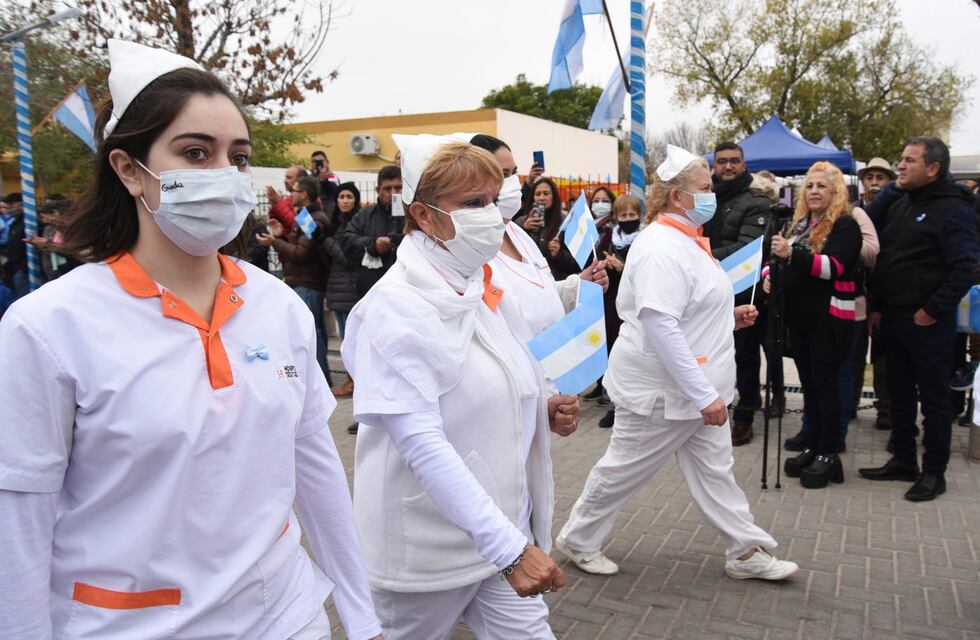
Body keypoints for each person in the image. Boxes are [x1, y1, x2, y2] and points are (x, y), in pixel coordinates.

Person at [0, 39, 380, 640]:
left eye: (237, 156)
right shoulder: (49, 327)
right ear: (128, 169)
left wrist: (362, 614)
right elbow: (18, 520)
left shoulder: (276, 306)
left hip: (286, 617)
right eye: (195, 153)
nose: (223, 175)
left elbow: (315, 467)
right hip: (131, 626)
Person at [342, 134, 576, 639]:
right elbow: (422, 442)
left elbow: (511, 374)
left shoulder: (478, 284)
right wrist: (510, 550)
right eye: (472, 203)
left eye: (492, 201)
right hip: (426, 552)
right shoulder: (396, 308)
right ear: (424, 216)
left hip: (498, 534)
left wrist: (543, 404)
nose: (491, 215)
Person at [556, 145, 797, 582]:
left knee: (716, 474)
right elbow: (660, 325)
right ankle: (578, 538)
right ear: (677, 198)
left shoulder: (686, 241)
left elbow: (688, 311)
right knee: (623, 469)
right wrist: (703, 393)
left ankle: (745, 551)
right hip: (663, 393)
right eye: (704, 188)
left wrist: (728, 319)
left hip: (697, 391)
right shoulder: (661, 249)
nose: (713, 195)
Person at [859, 137, 979, 502]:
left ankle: (934, 471)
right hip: (893, 318)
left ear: (933, 168)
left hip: (927, 322)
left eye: (909, 161)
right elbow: (887, 258)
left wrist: (932, 310)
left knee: (934, 399)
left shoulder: (955, 209)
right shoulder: (901, 203)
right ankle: (904, 459)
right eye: (901, 159)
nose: (901, 166)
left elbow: (966, 267)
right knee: (898, 394)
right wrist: (877, 306)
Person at [768, 163, 862, 487]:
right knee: (809, 385)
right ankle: (814, 444)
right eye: (809, 186)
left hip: (831, 318)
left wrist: (791, 253)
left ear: (836, 192)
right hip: (802, 318)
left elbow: (832, 267)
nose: (814, 191)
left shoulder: (845, 226)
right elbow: (779, 259)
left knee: (826, 386)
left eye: (822, 186)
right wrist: (769, 276)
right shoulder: (801, 225)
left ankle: (829, 453)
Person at [708, 142, 781, 447]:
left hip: (743, 291)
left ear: (743, 163)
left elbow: (748, 248)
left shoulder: (757, 201)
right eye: (722, 161)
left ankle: (745, 417)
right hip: (708, 290)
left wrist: (698, 254)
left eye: (733, 161)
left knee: (745, 357)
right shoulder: (704, 197)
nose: (727, 167)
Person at [257, 175, 332, 387]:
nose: (291, 196)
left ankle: (320, 381)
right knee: (316, 331)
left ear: (304, 195)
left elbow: (301, 254)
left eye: (295, 191)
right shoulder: (306, 216)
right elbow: (301, 247)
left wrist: (274, 242)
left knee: (312, 333)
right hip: (305, 281)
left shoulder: (311, 219)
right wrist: (281, 236)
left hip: (308, 283)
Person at [593, 194, 643, 428]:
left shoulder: (643, 241)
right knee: (612, 353)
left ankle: (631, 405)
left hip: (633, 308)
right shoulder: (607, 238)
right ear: (616, 217)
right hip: (610, 306)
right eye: (623, 215)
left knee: (631, 356)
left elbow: (645, 275)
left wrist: (621, 268)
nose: (628, 219)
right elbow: (592, 263)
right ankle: (613, 404)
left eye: (632, 215)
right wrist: (604, 265)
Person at [315, 181, 362, 398]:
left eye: (349, 197)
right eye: (341, 197)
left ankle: (355, 382)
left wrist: (324, 241)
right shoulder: (335, 222)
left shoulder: (356, 223)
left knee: (352, 339)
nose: (345, 201)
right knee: (345, 339)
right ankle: (352, 380)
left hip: (351, 288)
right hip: (336, 286)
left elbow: (347, 258)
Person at [339, 166, 404, 299]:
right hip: (372, 292)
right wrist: (373, 244)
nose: (393, 193)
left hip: (405, 290)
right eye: (387, 188)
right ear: (378, 190)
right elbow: (346, 241)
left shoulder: (414, 216)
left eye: (398, 188)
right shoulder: (364, 215)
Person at [513, 177, 580, 281]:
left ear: (554, 196)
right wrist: (524, 229)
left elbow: (576, 264)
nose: (541, 198)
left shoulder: (566, 222)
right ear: (533, 197)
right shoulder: (521, 222)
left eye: (546, 193)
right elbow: (512, 252)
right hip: (528, 281)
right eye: (538, 194)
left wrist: (558, 254)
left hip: (555, 283)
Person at [0, 192, 30, 298]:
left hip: (23, 268)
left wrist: (22, 267)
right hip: (12, 266)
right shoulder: (15, 222)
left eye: (11, 205)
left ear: (21, 205)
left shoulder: (29, 222)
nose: (9, 208)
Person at [265, 164, 306, 231]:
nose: (285, 181)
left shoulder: (309, 199)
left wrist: (279, 203)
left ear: (300, 180)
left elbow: (299, 227)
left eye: (289, 178)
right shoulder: (288, 199)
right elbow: (276, 224)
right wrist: (274, 205)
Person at [311, 150, 341, 216]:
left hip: (328, 214)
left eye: (321, 161)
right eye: (314, 161)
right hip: (312, 214)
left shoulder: (332, 176)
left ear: (327, 162)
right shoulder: (308, 178)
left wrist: (324, 181)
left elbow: (337, 191)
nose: (317, 163)